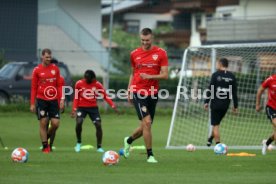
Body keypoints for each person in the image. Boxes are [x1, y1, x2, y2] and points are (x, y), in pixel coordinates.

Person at [123, 28, 169, 163]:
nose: (144, 43)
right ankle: (150, 155)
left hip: (153, 93)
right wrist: (129, 90)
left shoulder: (161, 53)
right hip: (138, 92)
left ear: (152, 38)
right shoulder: (134, 54)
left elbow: (165, 75)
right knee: (147, 123)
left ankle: (129, 140)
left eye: (147, 40)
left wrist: (150, 76)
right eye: (142, 40)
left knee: (145, 126)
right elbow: (133, 73)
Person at [71, 70, 118, 153]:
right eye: (92, 79)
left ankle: (99, 147)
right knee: (79, 122)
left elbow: (105, 96)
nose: (94, 80)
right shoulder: (79, 84)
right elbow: (76, 98)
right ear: (87, 78)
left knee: (98, 125)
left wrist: (113, 106)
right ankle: (78, 143)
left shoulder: (97, 84)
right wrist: (74, 109)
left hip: (93, 108)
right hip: (81, 107)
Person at [30, 48, 64, 153]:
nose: (49, 59)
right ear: (42, 57)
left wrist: (61, 99)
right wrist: (32, 103)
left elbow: (59, 85)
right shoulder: (37, 70)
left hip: (53, 100)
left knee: (55, 123)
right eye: (47, 57)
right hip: (41, 100)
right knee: (43, 122)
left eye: (50, 57)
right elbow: (34, 87)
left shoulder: (55, 69)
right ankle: (45, 147)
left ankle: (47, 136)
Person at [204, 58, 238, 147]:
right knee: (217, 123)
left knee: (215, 125)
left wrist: (206, 102)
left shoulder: (215, 75)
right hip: (225, 105)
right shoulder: (232, 76)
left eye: (217, 63)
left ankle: (219, 146)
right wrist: (235, 106)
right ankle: (210, 139)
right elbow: (234, 92)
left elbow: (210, 89)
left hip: (215, 104)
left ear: (220, 64)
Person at [256, 74, 276, 155]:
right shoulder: (271, 79)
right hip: (271, 108)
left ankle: (266, 143)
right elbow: (260, 90)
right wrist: (257, 105)